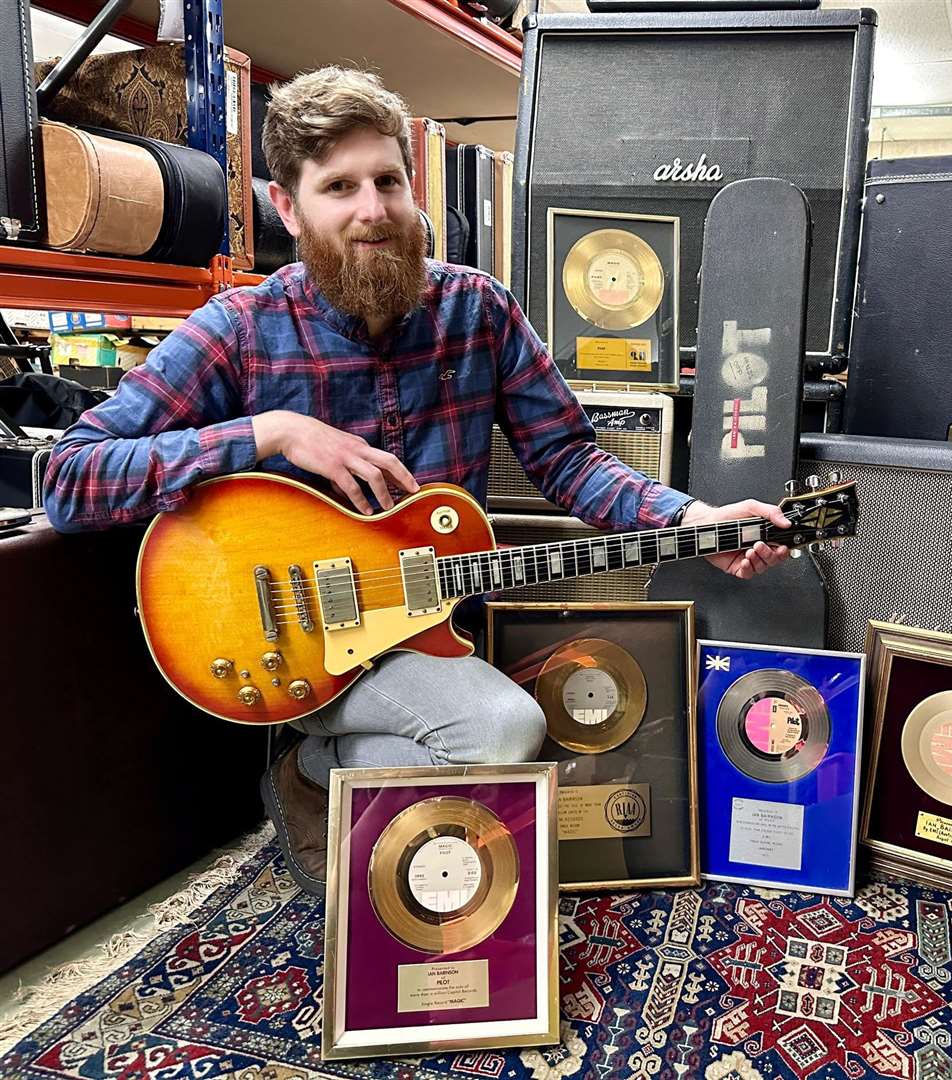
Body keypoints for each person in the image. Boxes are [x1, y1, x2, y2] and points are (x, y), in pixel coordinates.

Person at [44, 66, 791, 895]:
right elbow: (72, 480)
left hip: (434, 631)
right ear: (289, 209)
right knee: (506, 731)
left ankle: (318, 767)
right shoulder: (238, 329)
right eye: (339, 187)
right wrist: (268, 432)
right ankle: (317, 758)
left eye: (388, 180)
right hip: (289, 644)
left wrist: (695, 521)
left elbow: (571, 461)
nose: (373, 210)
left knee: (530, 732)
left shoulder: (481, 310)